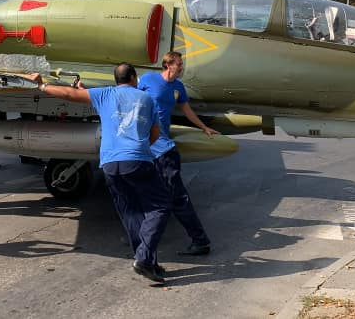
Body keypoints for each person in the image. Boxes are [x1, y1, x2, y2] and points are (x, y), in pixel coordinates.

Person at [33, 63, 171, 284]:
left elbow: (69, 94)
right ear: (134, 78)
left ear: (116, 79)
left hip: (109, 164)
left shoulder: (104, 94)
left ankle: (145, 261)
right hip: (136, 160)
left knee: (131, 212)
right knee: (160, 206)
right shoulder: (146, 99)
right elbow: (154, 133)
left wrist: (42, 87)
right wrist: (141, 147)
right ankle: (144, 258)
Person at [138, 51, 217, 256]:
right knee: (152, 195)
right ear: (168, 65)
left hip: (164, 151)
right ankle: (144, 238)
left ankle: (200, 241)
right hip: (150, 150)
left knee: (176, 199)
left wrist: (203, 127)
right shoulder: (148, 79)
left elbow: (187, 110)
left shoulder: (178, 87)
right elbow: (131, 97)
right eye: (179, 64)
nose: (182, 68)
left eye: (182, 64)